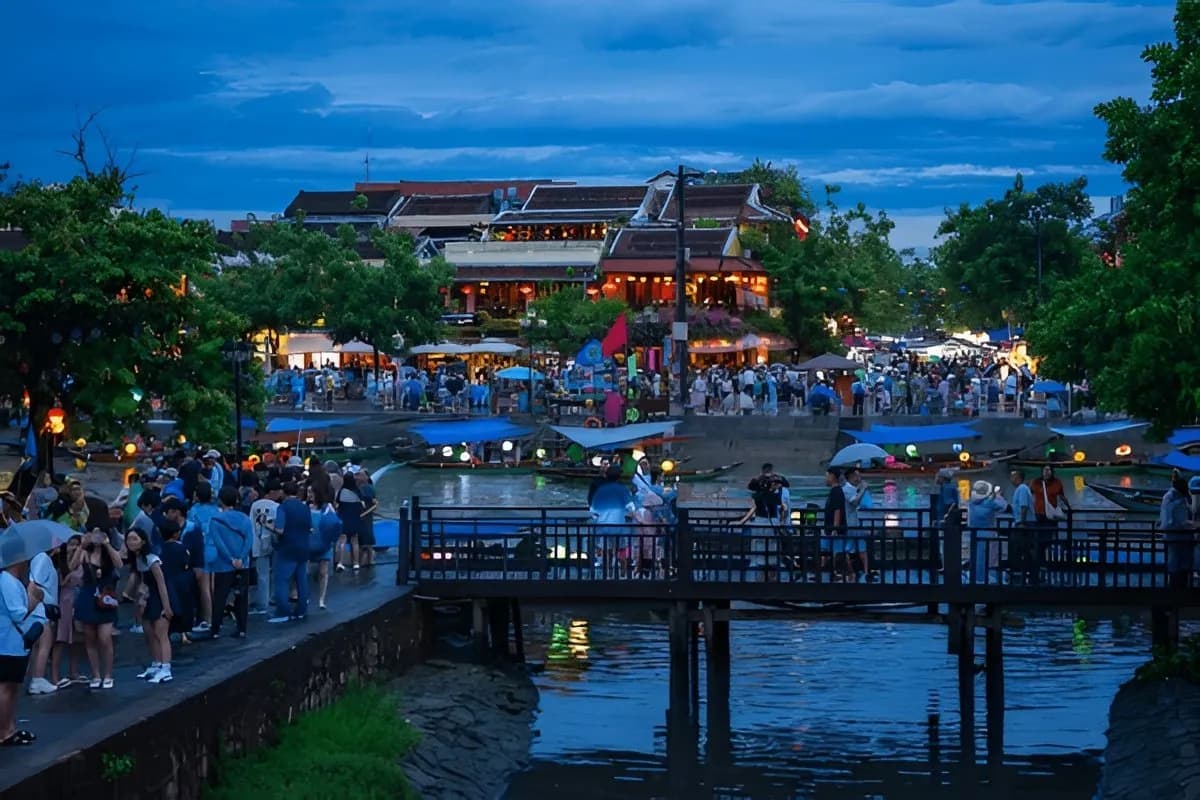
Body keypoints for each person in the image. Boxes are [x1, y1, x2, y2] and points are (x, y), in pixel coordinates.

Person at [1, 547, 46, 746]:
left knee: (12, 687)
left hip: (15, 643)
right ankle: (4, 731)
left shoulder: (12, 581)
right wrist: (33, 598)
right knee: (5, 687)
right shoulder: (7, 581)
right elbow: (19, 613)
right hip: (7, 643)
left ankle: (10, 728)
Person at [69, 527, 123, 689]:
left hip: (105, 595)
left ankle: (108, 674)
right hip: (88, 594)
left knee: (105, 638)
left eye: (100, 533)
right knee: (90, 638)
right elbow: (72, 566)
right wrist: (82, 545)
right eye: (94, 533)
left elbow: (119, 563)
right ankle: (96, 675)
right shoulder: (86, 552)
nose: (97, 536)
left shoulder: (108, 552)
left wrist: (107, 545)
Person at [124, 529, 175, 683]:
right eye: (129, 539)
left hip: (159, 597)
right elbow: (142, 579)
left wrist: (167, 607)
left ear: (143, 541)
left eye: (134, 539)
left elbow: (162, 584)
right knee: (149, 633)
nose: (131, 542)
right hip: (147, 598)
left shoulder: (152, 559)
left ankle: (166, 668)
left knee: (161, 634)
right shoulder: (137, 559)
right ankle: (157, 663)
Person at [209, 486, 253, 639]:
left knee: (220, 596)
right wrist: (241, 558)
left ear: (220, 500)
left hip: (223, 565)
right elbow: (249, 540)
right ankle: (242, 629)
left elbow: (219, 543)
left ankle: (215, 629)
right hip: (243, 564)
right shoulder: (245, 518)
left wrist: (230, 559)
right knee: (242, 597)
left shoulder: (215, 520)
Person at [269, 482, 311, 624]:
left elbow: (280, 529)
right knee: (301, 580)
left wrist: (269, 526)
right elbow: (309, 527)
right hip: (303, 547)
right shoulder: (305, 507)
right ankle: (301, 610)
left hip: (287, 548)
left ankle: (283, 611)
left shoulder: (283, 507)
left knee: (282, 580)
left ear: (283, 492)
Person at [24, 545, 59, 696]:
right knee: (45, 643)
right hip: (41, 608)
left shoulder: (40, 558)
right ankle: (37, 679)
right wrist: (41, 599)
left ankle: (35, 677)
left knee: (39, 645)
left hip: (40, 607)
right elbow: (34, 585)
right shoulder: (42, 558)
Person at [249, 481, 282, 613]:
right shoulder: (277, 507)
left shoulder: (254, 505)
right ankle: (274, 597)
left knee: (262, 574)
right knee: (275, 571)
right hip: (273, 540)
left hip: (258, 540)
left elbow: (251, 523)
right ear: (272, 492)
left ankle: (262, 603)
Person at [967, 480, 1009, 584]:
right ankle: (986, 579)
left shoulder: (971, 502)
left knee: (975, 557)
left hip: (974, 533)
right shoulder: (990, 502)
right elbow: (1004, 507)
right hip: (988, 533)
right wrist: (998, 496)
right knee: (988, 559)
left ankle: (976, 578)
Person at [1159, 477, 1194, 590]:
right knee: (1177, 561)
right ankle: (1177, 587)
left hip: (1177, 535)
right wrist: (1188, 525)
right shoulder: (1174, 499)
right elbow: (1171, 520)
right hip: (1176, 534)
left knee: (1177, 561)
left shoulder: (1171, 497)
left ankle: (1176, 586)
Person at [823, 467, 848, 580]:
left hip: (835, 528)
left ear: (833, 476)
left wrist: (835, 528)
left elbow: (837, 510)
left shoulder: (837, 491)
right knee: (828, 550)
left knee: (837, 552)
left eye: (827, 475)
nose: (826, 478)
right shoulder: (834, 491)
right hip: (830, 527)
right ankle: (829, 571)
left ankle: (839, 572)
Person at [355, 470, 378, 569]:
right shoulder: (363, 488)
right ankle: (368, 561)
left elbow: (371, 502)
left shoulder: (367, 488)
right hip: (363, 516)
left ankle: (365, 561)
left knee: (365, 540)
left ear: (366, 477)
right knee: (365, 540)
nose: (358, 477)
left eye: (360, 475)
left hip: (364, 516)